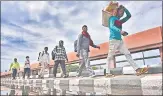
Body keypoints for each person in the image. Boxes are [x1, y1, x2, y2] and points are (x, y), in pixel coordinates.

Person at [106, 5, 149, 77]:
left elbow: (129, 16)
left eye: (123, 12)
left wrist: (124, 8)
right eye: (120, 11)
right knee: (110, 56)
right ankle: (107, 73)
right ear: (117, 11)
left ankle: (137, 70)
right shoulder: (112, 18)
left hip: (120, 41)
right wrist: (120, 31)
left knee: (127, 54)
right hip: (113, 40)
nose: (122, 13)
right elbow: (112, 26)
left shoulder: (120, 21)